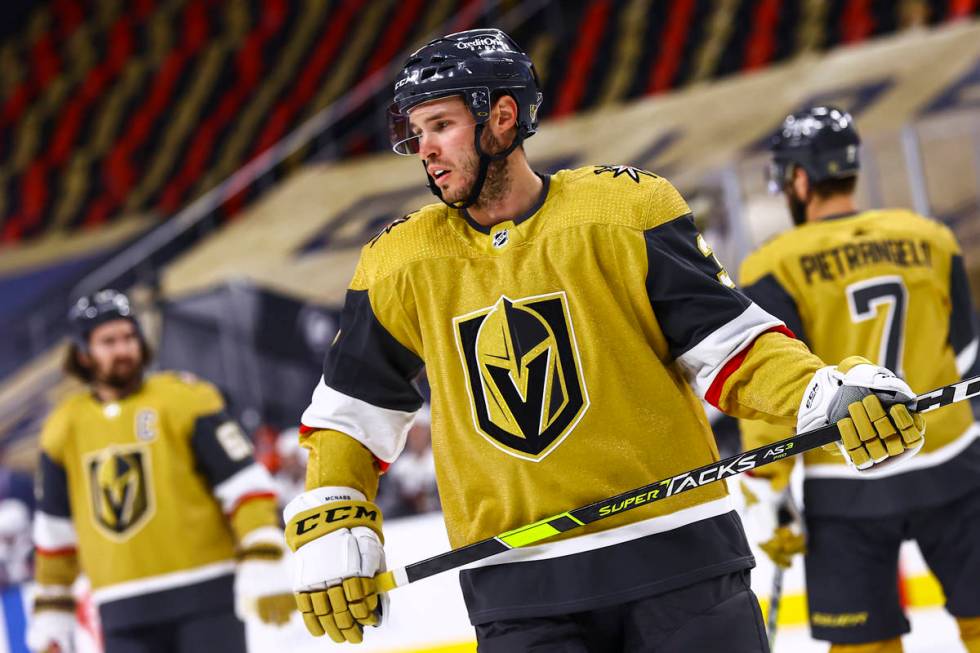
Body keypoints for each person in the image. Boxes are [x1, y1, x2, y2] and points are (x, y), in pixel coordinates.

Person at [283, 30, 926, 652]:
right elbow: (353, 414)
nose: (424, 148)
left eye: (441, 125)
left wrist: (822, 394)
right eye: (416, 132)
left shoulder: (622, 211)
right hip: (520, 591)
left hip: (681, 559)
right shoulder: (399, 261)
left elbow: (733, 347)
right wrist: (336, 508)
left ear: (502, 117)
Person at [739, 106, 980, 653]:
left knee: (863, 647)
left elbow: (773, 388)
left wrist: (771, 494)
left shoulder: (774, 264)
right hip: (954, 467)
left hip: (846, 483)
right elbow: (967, 357)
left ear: (799, 178)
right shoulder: (932, 239)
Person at [28, 289, 295, 653]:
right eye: (108, 341)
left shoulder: (185, 398)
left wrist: (263, 553)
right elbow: (55, 531)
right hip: (121, 608)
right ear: (83, 353)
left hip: (206, 595)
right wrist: (52, 609)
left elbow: (245, 485)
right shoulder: (62, 429)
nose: (123, 349)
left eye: (129, 337)